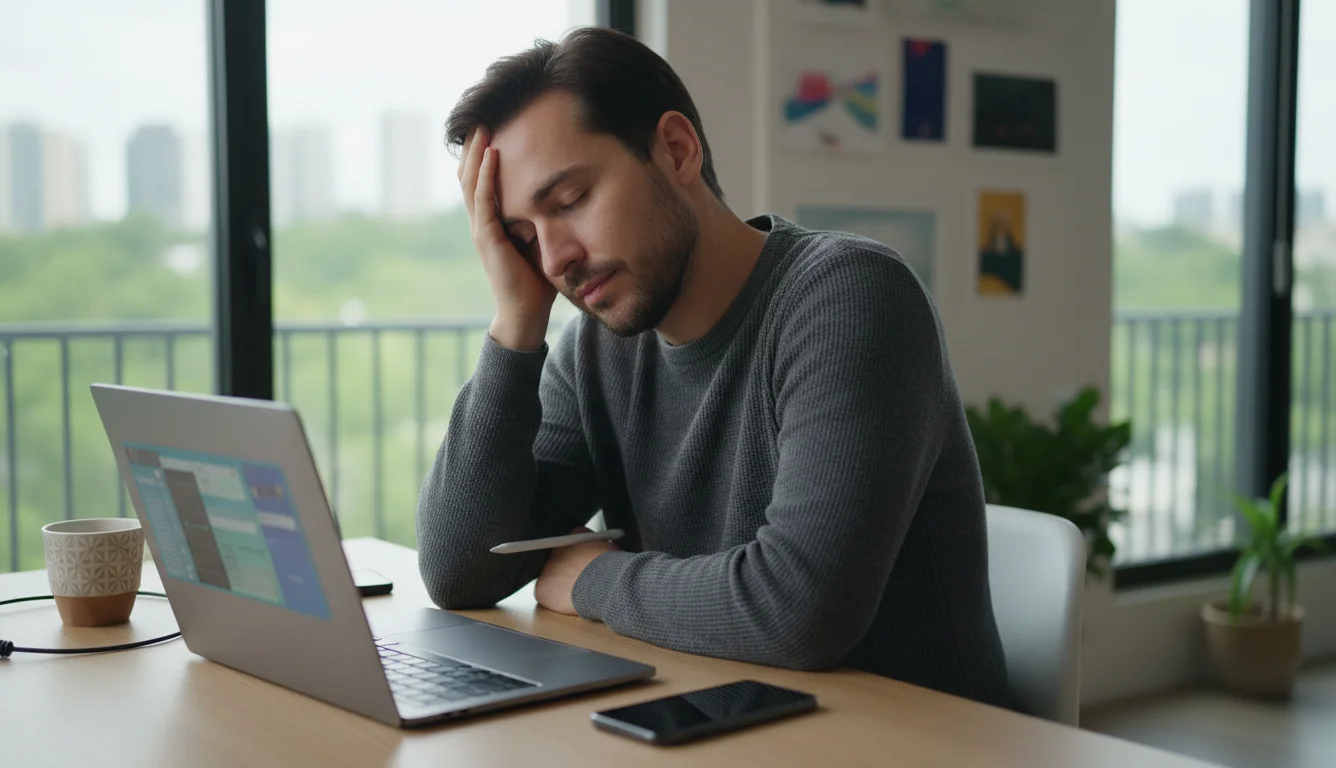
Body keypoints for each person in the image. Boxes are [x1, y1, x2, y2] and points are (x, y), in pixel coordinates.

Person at [416, 26, 1010, 707]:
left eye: (571, 201)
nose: (554, 260)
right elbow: (461, 570)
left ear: (676, 149)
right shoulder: (595, 350)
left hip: (908, 742)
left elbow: (799, 611)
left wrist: (593, 581)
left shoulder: (849, 296)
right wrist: (516, 323)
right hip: (730, 723)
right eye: (523, 238)